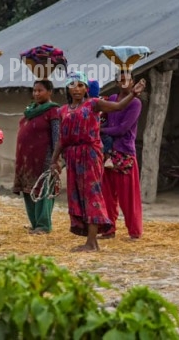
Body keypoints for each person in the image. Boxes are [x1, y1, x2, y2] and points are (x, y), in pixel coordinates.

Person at [50, 71, 145, 252]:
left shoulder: (93, 104)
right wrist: (54, 161)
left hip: (90, 155)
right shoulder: (62, 111)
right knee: (78, 196)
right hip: (72, 157)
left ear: (86, 88)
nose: (76, 89)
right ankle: (90, 238)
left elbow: (118, 106)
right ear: (67, 88)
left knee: (91, 195)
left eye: (80, 85)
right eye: (72, 85)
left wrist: (133, 93)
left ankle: (92, 242)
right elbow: (62, 139)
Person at [99, 69, 145, 240]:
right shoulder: (111, 99)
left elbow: (123, 129)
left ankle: (134, 232)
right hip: (107, 152)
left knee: (128, 197)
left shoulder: (135, 103)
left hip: (124, 152)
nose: (124, 82)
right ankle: (108, 229)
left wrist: (100, 130)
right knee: (107, 194)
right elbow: (104, 118)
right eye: (121, 79)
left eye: (128, 80)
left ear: (132, 82)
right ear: (117, 82)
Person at [13, 79, 60, 234]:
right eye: (34, 91)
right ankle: (35, 223)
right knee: (29, 192)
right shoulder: (30, 110)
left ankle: (43, 225)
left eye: (40, 90)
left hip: (44, 160)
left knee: (43, 191)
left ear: (50, 92)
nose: (36, 94)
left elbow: (57, 138)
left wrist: (55, 160)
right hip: (27, 161)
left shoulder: (53, 111)